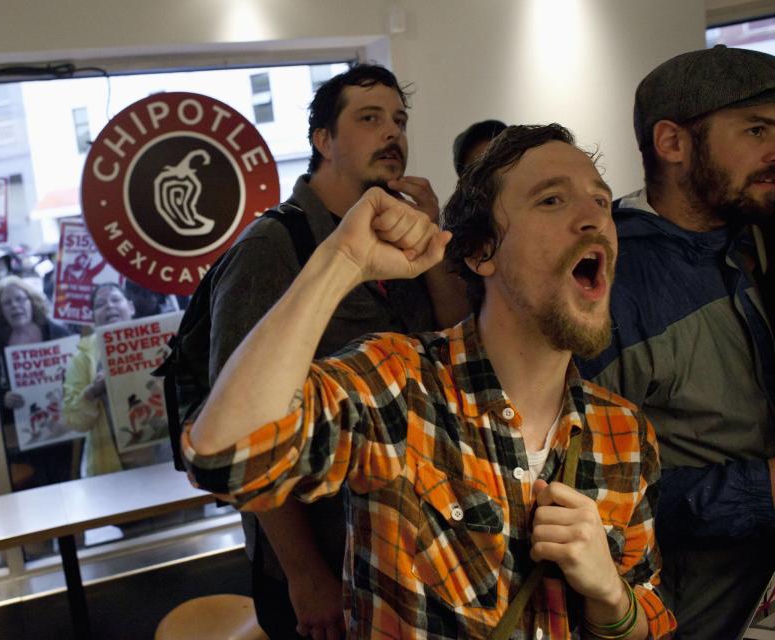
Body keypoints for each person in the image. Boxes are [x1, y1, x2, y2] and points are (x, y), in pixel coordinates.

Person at [185, 124, 676, 639]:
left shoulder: (624, 433)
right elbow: (227, 458)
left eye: (600, 199)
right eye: (551, 199)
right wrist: (341, 261)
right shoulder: (400, 385)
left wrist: (610, 596)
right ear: (481, 252)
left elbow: (650, 615)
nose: (594, 217)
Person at [207, 63, 469, 639]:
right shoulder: (273, 249)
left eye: (399, 120)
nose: (393, 133)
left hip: (411, 550)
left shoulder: (401, 231)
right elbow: (246, 428)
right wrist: (305, 576)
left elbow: (460, 350)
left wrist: (435, 239)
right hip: (322, 558)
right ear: (322, 140)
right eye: (369, 118)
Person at [575, 45, 775, 639]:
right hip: (691, 618)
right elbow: (584, 495)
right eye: (757, 129)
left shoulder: (753, 236)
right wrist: (758, 490)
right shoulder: (611, 285)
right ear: (672, 144)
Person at [63, 282, 170, 476]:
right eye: (101, 304)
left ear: (131, 307)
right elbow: (75, 421)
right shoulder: (82, 358)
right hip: (112, 467)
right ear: (93, 318)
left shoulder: (159, 339)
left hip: (168, 457)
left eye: (115, 299)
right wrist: (93, 392)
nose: (109, 306)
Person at [0, 277, 73, 492]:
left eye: (20, 299)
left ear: (31, 302)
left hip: (64, 430)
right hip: (20, 434)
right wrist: (2, 398)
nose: (15, 306)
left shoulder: (57, 332)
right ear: (0, 311)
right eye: (8, 303)